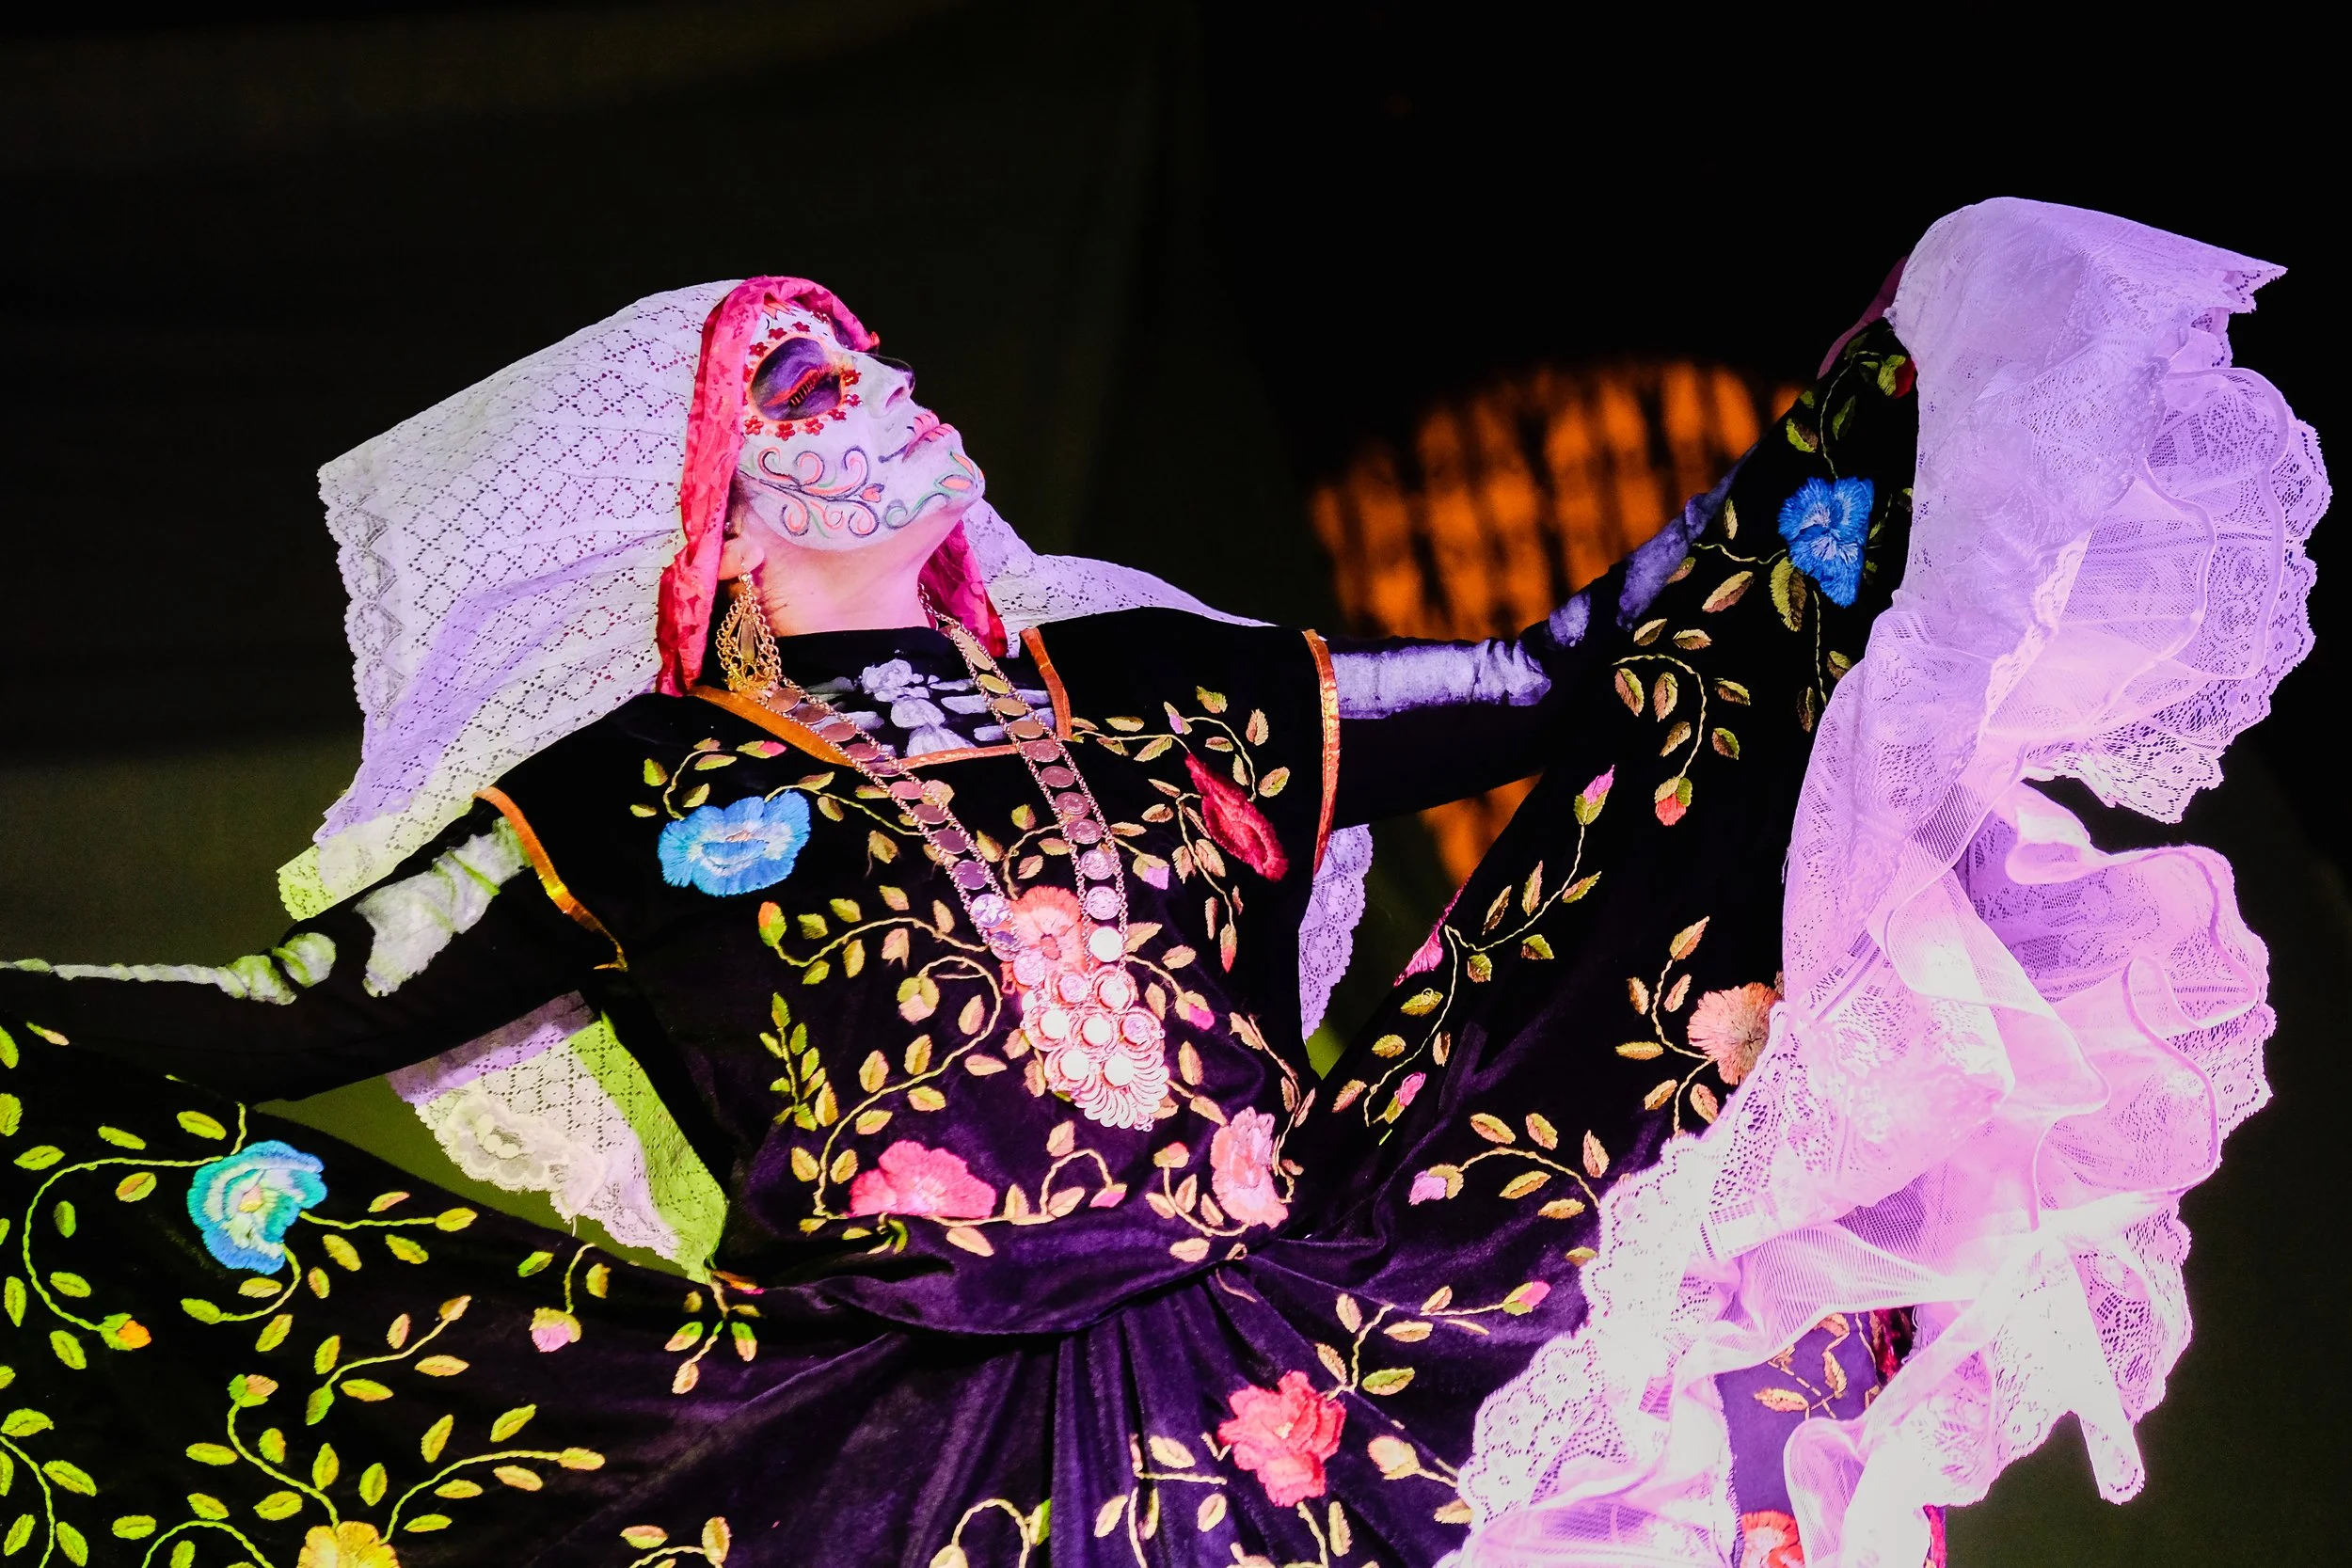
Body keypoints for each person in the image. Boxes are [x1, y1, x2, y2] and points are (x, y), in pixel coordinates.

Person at [0, 198, 2321, 1568]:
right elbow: (294, 998)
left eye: (862, 352)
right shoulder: (638, 783)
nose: (875, 386)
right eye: (796, 386)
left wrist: (1905, 405)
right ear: (707, 499)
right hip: (899, 1453)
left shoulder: (1162, 692)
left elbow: (1578, 670)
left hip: (1300, 1340)